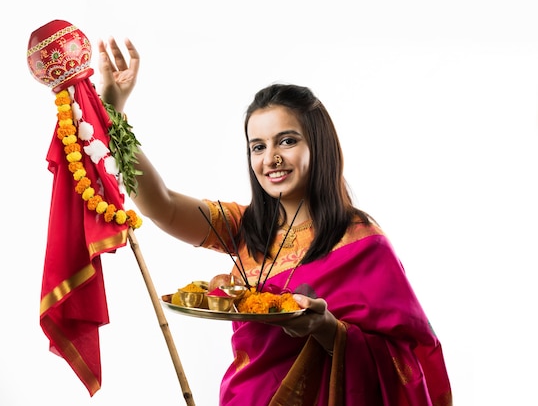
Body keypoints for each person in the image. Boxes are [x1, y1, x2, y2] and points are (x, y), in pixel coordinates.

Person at [97, 37, 453, 406]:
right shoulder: (243, 226)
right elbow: (163, 205)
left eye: (287, 141)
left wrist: (328, 330)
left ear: (320, 145)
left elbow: (410, 364)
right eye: (258, 146)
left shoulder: (361, 242)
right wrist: (112, 110)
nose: (272, 158)